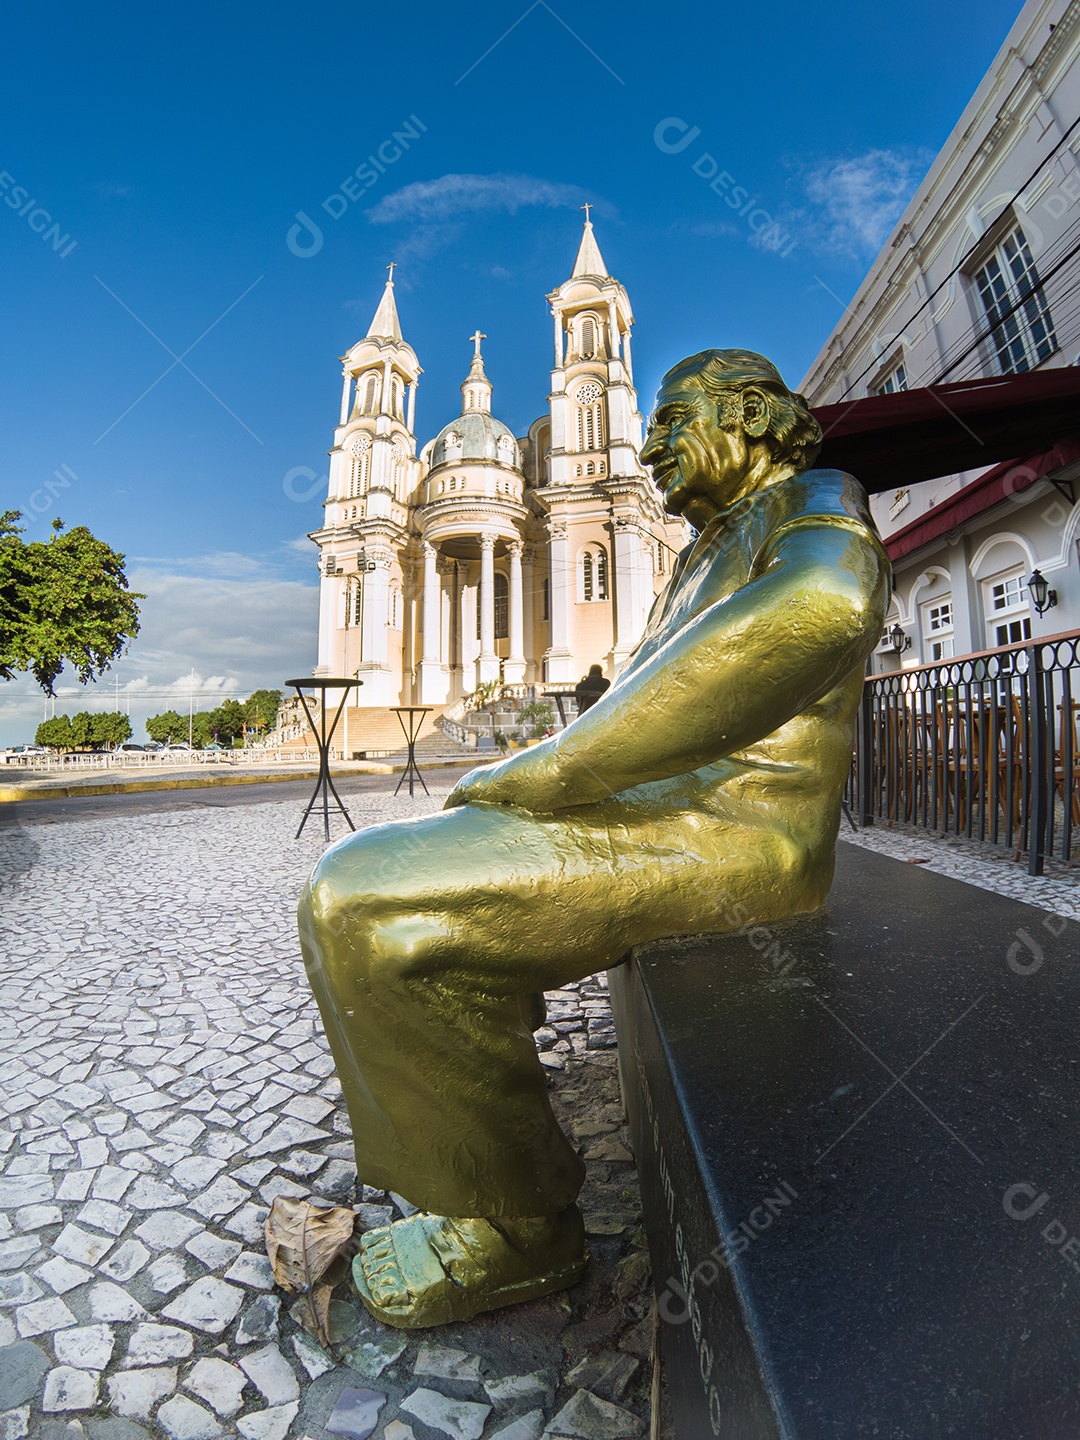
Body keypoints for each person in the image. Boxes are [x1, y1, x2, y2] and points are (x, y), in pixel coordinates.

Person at [298, 349, 889, 1329]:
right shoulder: (710, 543)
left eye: (674, 418)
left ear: (748, 418)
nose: (652, 442)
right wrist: (543, 780)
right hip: (661, 817)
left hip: (732, 840)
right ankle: (488, 1103)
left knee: (359, 897)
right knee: (411, 876)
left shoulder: (814, 504)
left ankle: (519, 1231)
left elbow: (823, 604)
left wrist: (556, 769)